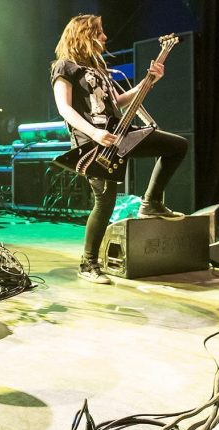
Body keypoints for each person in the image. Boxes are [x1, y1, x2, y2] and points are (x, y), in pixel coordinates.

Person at [51, 14, 188, 284]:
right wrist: (94, 132)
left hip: (118, 133)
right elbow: (64, 108)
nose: (104, 37)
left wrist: (148, 82)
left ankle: (151, 203)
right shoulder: (64, 66)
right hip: (92, 143)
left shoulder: (98, 68)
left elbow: (118, 102)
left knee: (177, 146)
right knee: (105, 201)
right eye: (99, 32)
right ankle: (88, 263)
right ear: (84, 34)